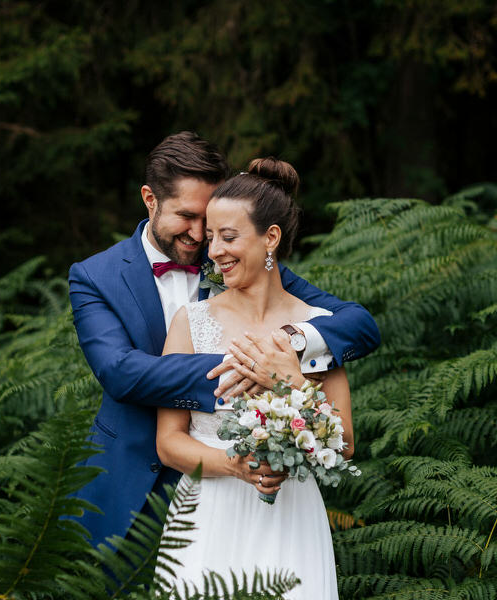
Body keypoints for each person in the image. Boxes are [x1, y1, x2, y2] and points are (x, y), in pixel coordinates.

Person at [68, 132, 379, 548]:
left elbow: (355, 323)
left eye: (210, 221)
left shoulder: (237, 258)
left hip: (244, 499)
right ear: (149, 199)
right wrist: (242, 369)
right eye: (187, 216)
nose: (200, 237)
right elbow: (121, 374)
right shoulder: (95, 276)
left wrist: (291, 344)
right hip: (128, 485)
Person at [155, 158, 348, 598]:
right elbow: (168, 441)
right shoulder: (191, 322)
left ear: (271, 238)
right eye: (210, 239)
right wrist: (236, 468)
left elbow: (346, 443)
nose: (214, 251)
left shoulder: (319, 327)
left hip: (291, 515)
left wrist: (292, 382)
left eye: (228, 237)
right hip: (207, 514)